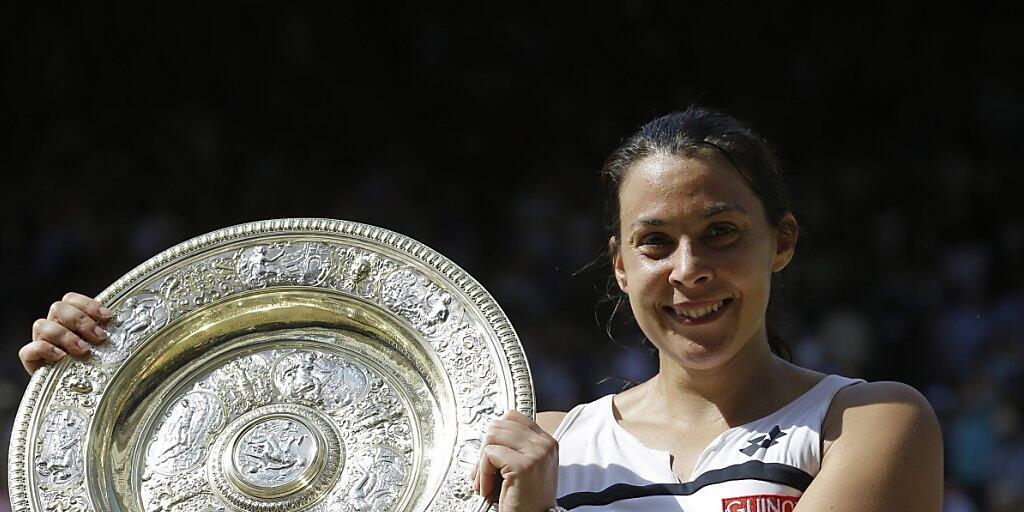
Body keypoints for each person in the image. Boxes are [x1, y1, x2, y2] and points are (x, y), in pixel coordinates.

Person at [22, 106, 943, 511]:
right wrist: (100, 394)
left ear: (782, 241)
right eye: (656, 242)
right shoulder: (519, 445)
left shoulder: (871, 423)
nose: (689, 268)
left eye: (723, 232)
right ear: (619, 267)